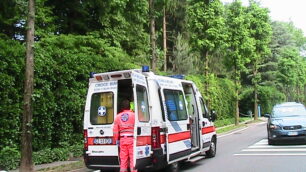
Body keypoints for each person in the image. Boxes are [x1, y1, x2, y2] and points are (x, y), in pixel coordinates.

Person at [113, 99, 137, 172]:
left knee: (123, 161)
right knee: (133, 160)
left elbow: (115, 131)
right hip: (132, 139)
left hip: (122, 140)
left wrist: (117, 140)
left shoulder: (117, 117)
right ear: (130, 106)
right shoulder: (134, 115)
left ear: (122, 108)